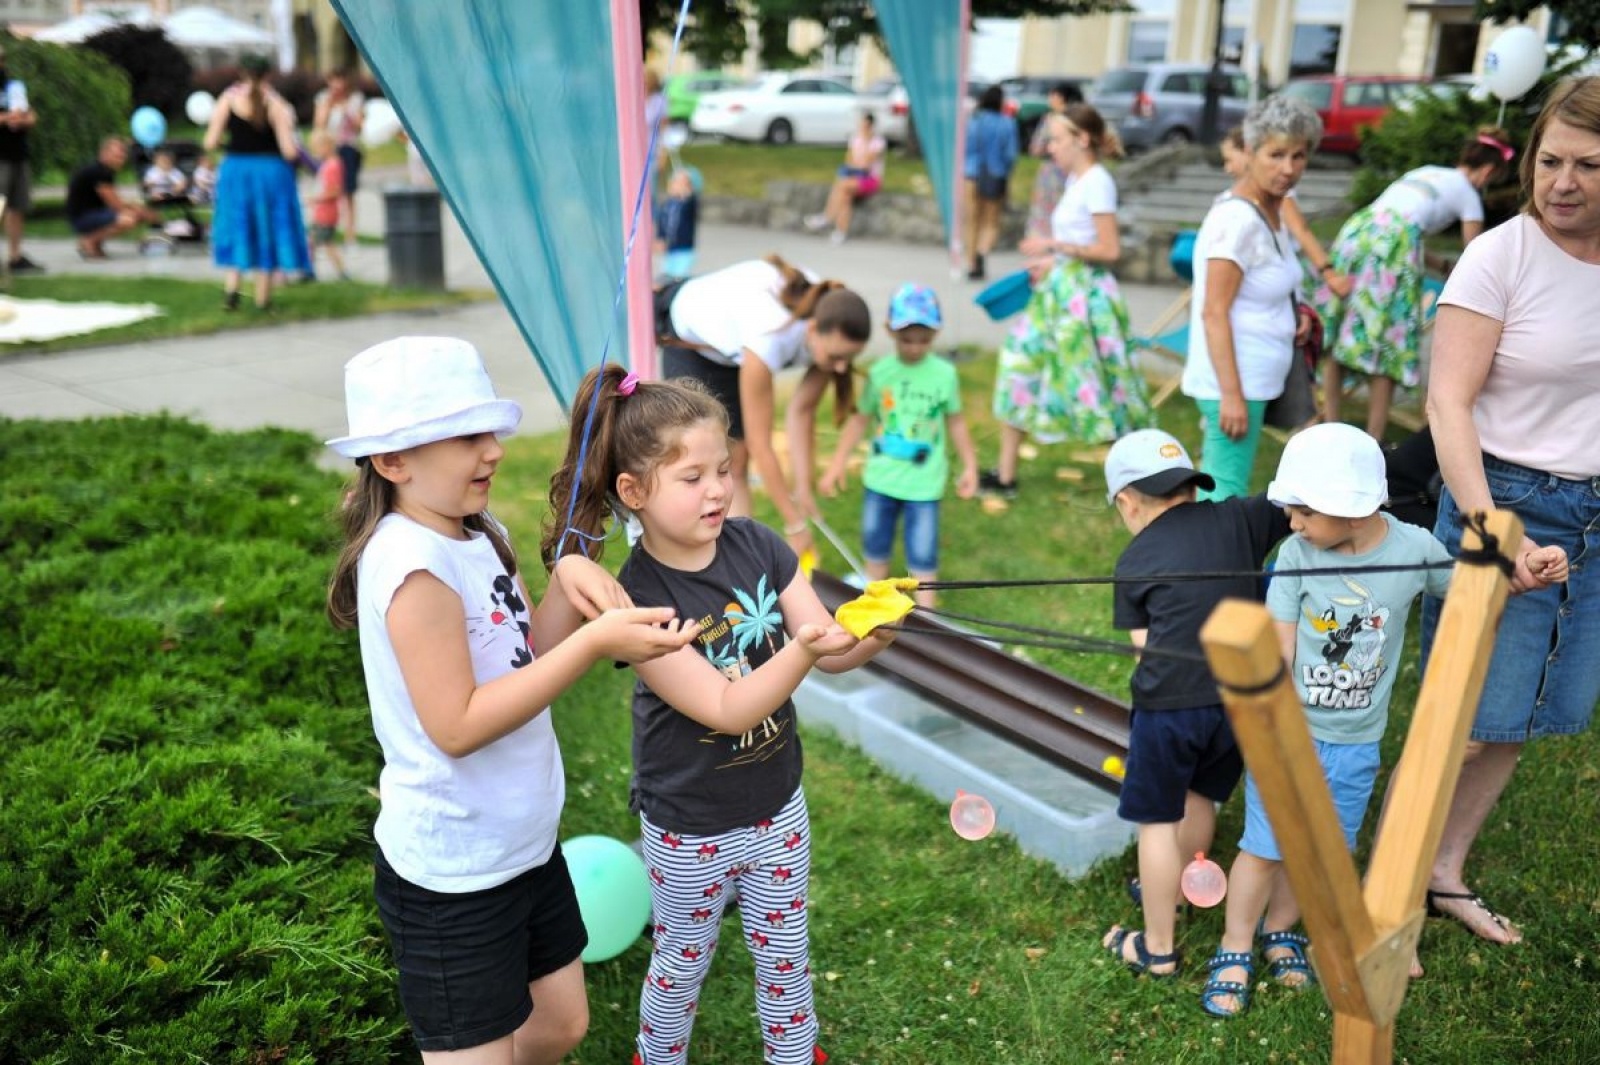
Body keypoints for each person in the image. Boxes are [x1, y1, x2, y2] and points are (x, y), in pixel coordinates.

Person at [324, 337, 699, 1063]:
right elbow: (458, 725)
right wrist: (594, 645)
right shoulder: (412, 565)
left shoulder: (479, 530)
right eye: (466, 437)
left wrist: (569, 586)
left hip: (523, 845)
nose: (493, 450)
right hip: (456, 876)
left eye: (489, 431)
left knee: (559, 1025)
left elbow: (524, 655)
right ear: (393, 461)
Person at [541, 364, 894, 1065]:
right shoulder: (635, 600)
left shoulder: (759, 543)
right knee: (682, 962)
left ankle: (794, 1054)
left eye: (724, 469)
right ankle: (658, 1056)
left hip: (777, 802)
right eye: (692, 477)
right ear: (634, 493)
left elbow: (828, 645)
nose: (717, 489)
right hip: (689, 824)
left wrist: (873, 633)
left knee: (786, 953)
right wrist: (802, 648)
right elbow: (727, 708)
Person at [1198, 424, 1566, 1016]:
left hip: (1355, 745)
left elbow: (1472, 589)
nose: (1292, 522)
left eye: (1304, 511)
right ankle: (1235, 945)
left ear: (1351, 511)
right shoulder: (1294, 556)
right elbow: (1280, 649)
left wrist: (1529, 572)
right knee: (1266, 847)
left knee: (1319, 853)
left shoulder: (1412, 549)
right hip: (1288, 737)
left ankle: (1280, 931)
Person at [1418, 76, 1600, 952]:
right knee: (1458, 721)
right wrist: (1491, 533)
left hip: (1591, 522)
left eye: (1588, 165)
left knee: (1521, 713)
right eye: (1550, 160)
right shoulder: (1501, 257)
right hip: (1502, 502)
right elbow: (1447, 404)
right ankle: (1389, 894)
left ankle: (1442, 870)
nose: (1562, 182)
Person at [1099, 429, 1289, 986]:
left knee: (1158, 819)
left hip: (1169, 709)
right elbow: (1293, 498)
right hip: (1238, 702)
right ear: (1190, 485)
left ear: (1127, 502)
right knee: (1200, 792)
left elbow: (1146, 651)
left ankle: (1157, 947)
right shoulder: (1241, 518)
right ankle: (1182, 884)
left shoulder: (1133, 561)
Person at [654, 255, 871, 558]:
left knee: (737, 460)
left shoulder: (828, 309)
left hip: (736, 341)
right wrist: (794, 523)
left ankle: (735, 561)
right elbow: (761, 444)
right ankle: (701, 558)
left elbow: (802, 412)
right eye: (836, 357)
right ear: (812, 330)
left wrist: (803, 490)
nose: (840, 368)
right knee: (711, 461)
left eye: (849, 358)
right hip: (689, 337)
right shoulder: (769, 338)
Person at [984, 106, 1151, 498]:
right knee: (1019, 365)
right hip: (1059, 292)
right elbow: (1081, 244)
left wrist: (1054, 245)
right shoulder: (1077, 180)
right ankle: (1005, 475)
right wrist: (1050, 262)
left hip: (1083, 301)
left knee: (1098, 386)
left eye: (1057, 139)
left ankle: (1139, 480)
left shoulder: (1098, 182)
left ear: (1082, 139)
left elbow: (1109, 249)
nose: (1050, 147)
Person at [1313, 127, 1513, 440]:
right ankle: (1375, 437)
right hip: (1394, 244)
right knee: (1389, 341)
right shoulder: (1469, 195)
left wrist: (1441, 265)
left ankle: (1330, 425)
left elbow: (1399, 224)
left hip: (1358, 230)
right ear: (1488, 171)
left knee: (1342, 330)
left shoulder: (1428, 172)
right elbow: (1474, 255)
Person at [1180, 95, 1323, 502]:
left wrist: (1294, 314)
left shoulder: (1271, 211)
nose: (1288, 168)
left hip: (1258, 376)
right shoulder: (1237, 221)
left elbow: (1268, 284)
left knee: (1227, 487)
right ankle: (1205, 548)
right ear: (1249, 151)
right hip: (1234, 381)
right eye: (1276, 155)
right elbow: (1213, 312)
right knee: (1223, 493)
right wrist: (1231, 395)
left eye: (1298, 156)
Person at [817, 283, 979, 606]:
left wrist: (970, 466)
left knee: (923, 555)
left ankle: (928, 617)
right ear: (890, 330)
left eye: (924, 340)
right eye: (907, 339)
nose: (915, 348)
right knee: (875, 549)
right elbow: (860, 420)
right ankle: (875, 606)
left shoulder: (945, 374)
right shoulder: (880, 373)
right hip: (881, 482)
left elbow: (956, 422)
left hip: (925, 485)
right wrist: (837, 464)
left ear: (936, 333)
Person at [205, 53, 313, 311]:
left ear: (242, 73)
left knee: (238, 225)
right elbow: (288, 150)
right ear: (268, 74)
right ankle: (263, 299)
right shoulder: (276, 103)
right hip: (270, 173)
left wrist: (232, 144)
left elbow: (210, 142)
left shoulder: (228, 99)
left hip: (236, 172)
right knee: (267, 229)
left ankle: (232, 292)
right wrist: (305, 157)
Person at [1219, 125, 1351, 301]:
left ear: (1248, 153)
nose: (1227, 168)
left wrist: (1329, 273)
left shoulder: (1276, 193)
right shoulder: (1228, 201)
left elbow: (1300, 230)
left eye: (1229, 160)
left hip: (1278, 279)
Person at [65, 137, 162, 260]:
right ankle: (90, 241)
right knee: (128, 219)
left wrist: (139, 209)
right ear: (104, 153)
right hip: (82, 218)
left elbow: (112, 202)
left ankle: (95, 243)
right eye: (117, 155)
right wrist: (141, 212)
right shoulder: (100, 172)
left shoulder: (102, 170)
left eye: (122, 155)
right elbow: (115, 205)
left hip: (92, 213)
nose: (121, 159)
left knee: (136, 213)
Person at [804, 111, 886, 244]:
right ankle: (840, 231)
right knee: (845, 195)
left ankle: (827, 217)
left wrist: (866, 142)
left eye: (865, 126)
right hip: (854, 177)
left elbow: (866, 165)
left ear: (871, 126)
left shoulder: (878, 142)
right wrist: (856, 163)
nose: (862, 128)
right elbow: (849, 160)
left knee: (842, 185)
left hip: (870, 180)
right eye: (861, 125)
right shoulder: (855, 139)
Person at [964, 84, 1018, 280]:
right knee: (991, 222)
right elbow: (1010, 154)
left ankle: (971, 262)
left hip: (971, 175)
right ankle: (982, 251)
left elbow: (964, 148)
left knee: (972, 221)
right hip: (995, 175)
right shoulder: (1007, 124)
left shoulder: (973, 121)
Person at [1024, 81, 1085, 240]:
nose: (1050, 99)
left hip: (1052, 174)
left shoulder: (1052, 120)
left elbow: (1036, 148)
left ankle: (1044, 245)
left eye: (1053, 95)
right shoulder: (1081, 118)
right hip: (1076, 171)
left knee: (1046, 214)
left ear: (1061, 98)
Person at [0, 43, 41, 273]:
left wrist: (25, 120)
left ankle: (15, 257)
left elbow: (30, 114)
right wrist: (7, 118)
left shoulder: (12, 86)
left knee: (17, 207)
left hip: (18, 153)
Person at [312, 69, 365, 244]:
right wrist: (329, 106)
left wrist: (347, 110)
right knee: (328, 189)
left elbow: (359, 126)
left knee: (348, 192)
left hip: (348, 147)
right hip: (329, 149)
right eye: (333, 80)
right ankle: (327, 229)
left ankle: (350, 233)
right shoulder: (323, 98)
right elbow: (319, 124)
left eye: (340, 80)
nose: (337, 84)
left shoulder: (354, 99)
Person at [306, 131, 350, 281]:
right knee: (318, 242)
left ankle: (311, 272)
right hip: (323, 212)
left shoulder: (332, 166)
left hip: (326, 212)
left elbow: (335, 191)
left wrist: (315, 198)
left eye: (317, 148)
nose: (316, 152)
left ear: (327, 146)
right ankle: (311, 271)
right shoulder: (330, 164)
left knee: (321, 243)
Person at [653, 166, 699, 281]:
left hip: (684, 249)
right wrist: (660, 238)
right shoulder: (667, 205)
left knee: (679, 277)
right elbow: (662, 223)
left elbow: (692, 200)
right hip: (670, 248)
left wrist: (687, 191)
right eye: (674, 183)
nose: (675, 187)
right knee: (666, 276)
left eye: (679, 184)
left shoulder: (688, 203)